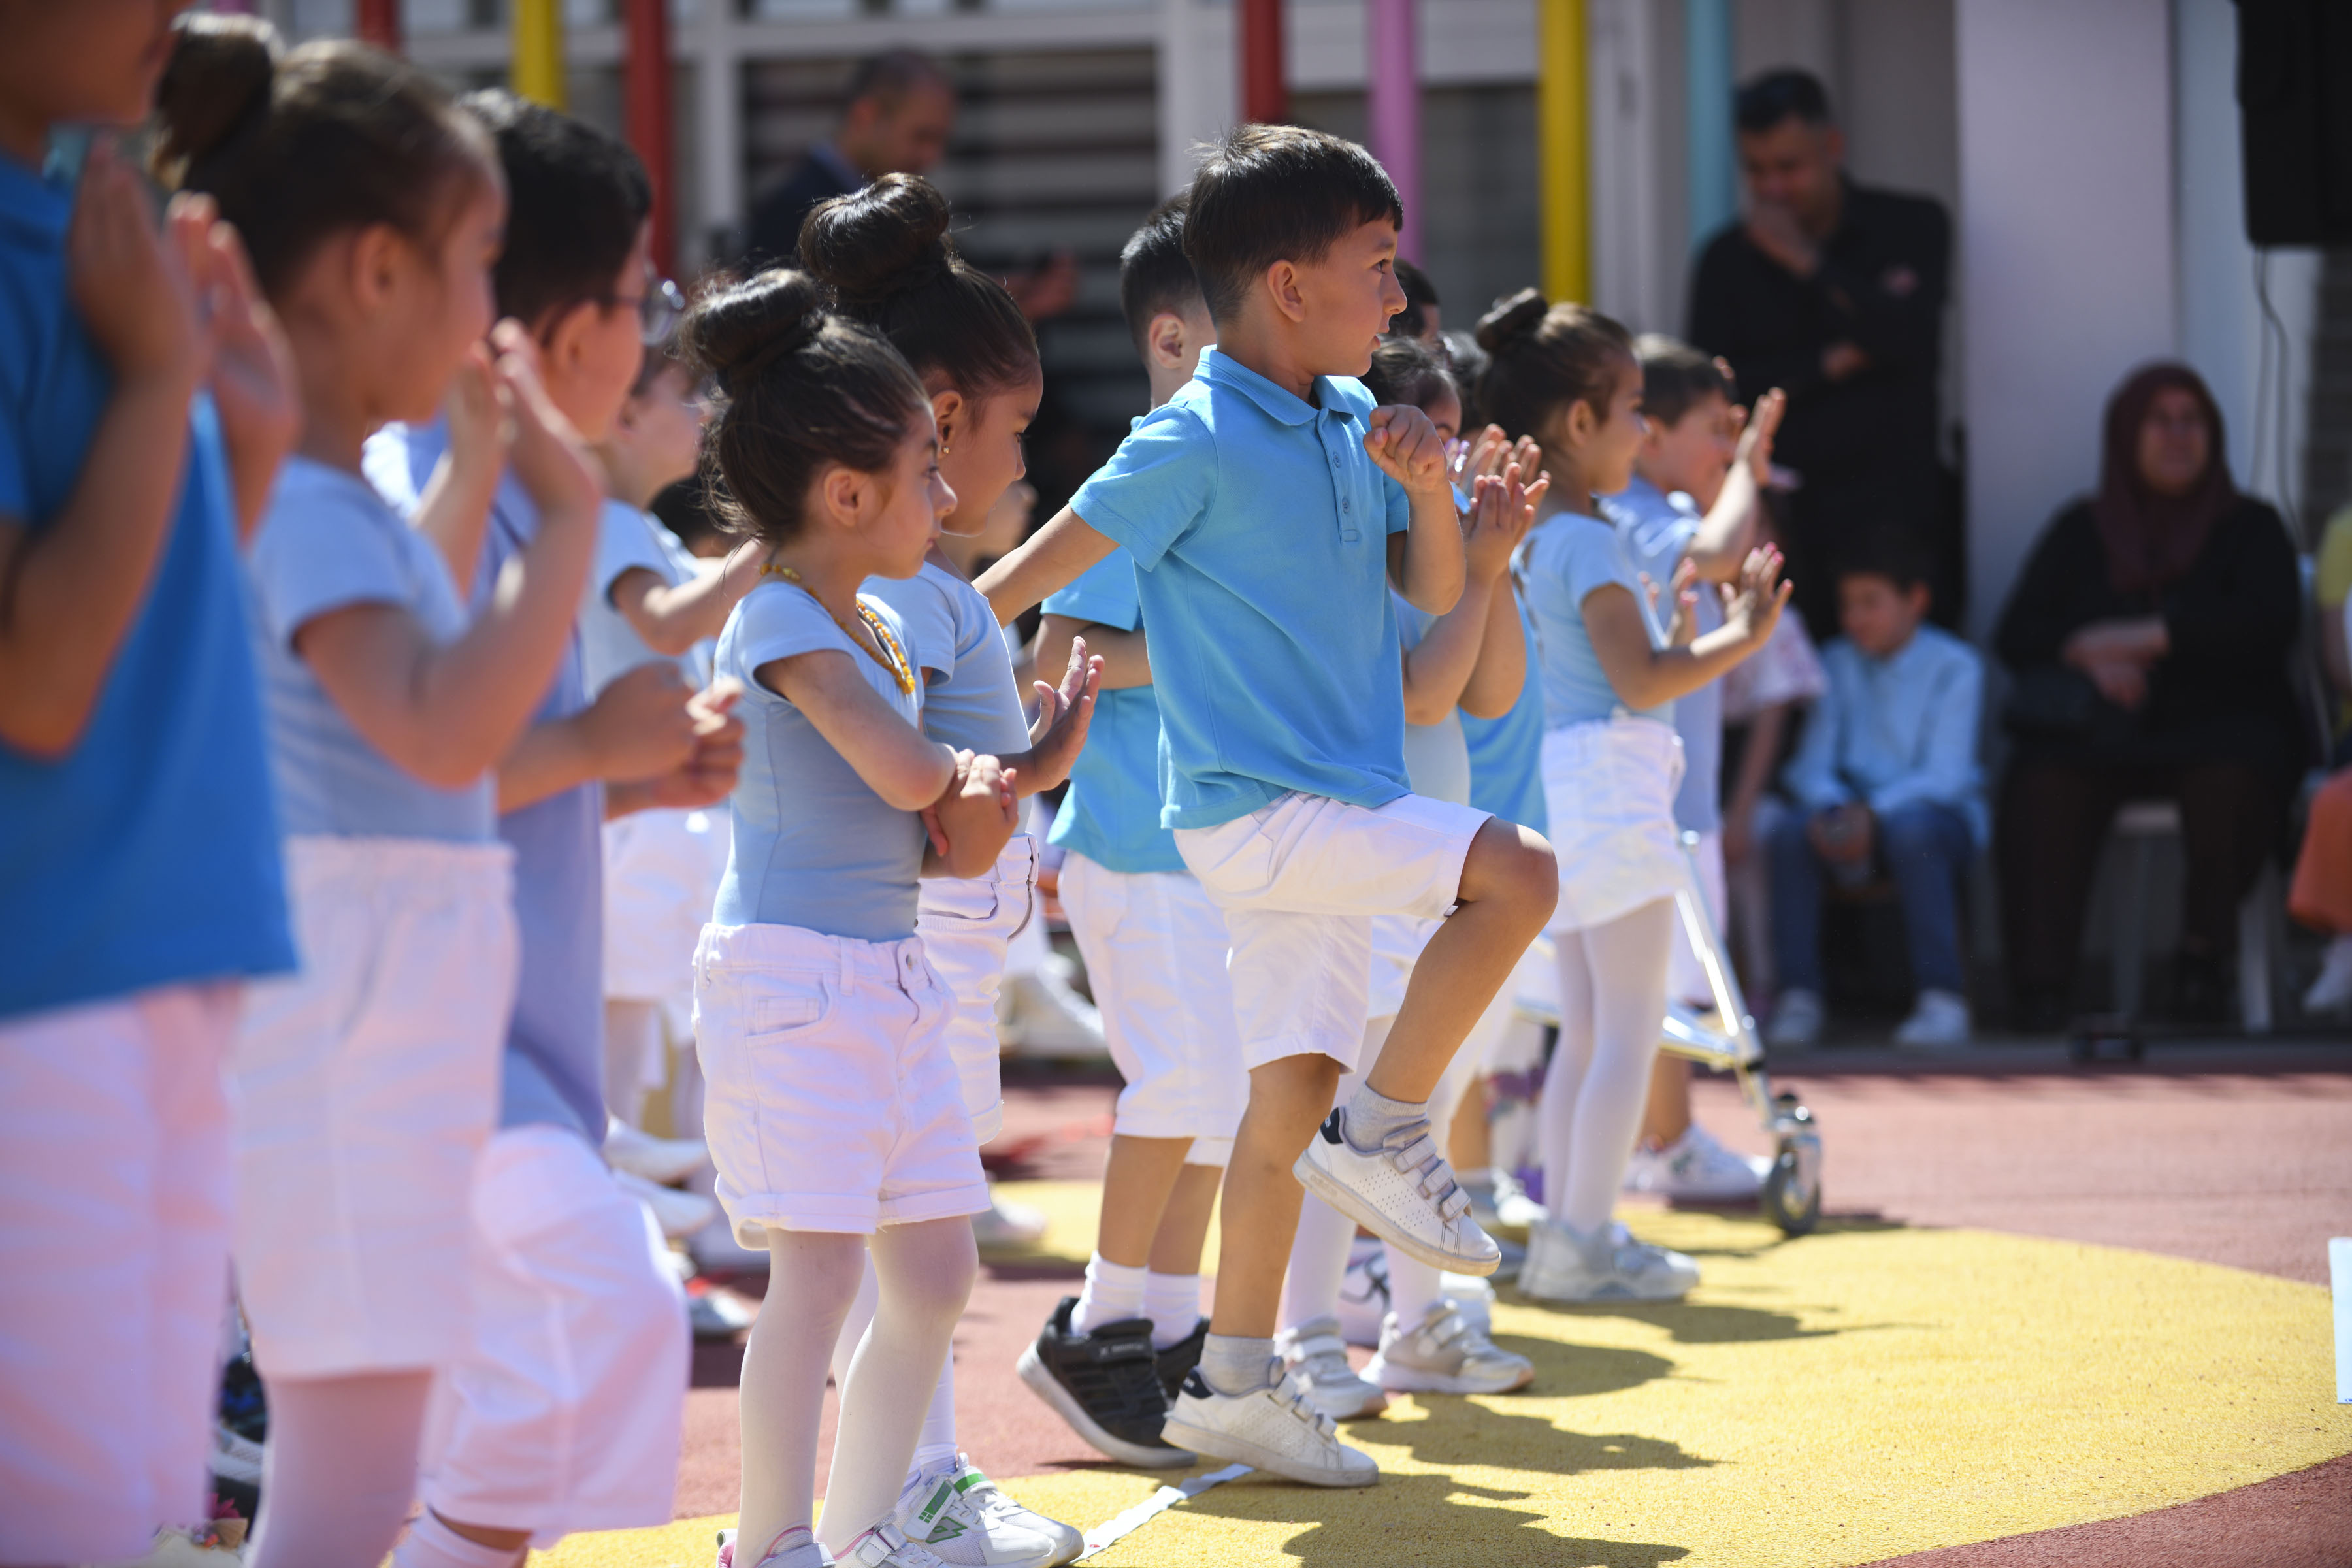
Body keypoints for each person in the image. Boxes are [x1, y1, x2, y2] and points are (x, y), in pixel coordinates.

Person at [978, 125, 1559, 1488]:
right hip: (1260, 812)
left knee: (1276, 1108)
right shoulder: (1186, 434)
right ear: (1291, 287)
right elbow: (1029, 577)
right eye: (1380, 268)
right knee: (1519, 874)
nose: (1404, 299)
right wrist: (902, 634)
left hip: (1318, 816)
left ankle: (1236, 1379)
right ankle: (1392, 1126)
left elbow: (1425, 606)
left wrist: (1443, 511)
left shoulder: (1358, 421)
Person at [151, 20, 608, 1565]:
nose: (496, 306)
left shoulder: (327, 495)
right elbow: (439, 724)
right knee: (347, 1467)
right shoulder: (309, 501)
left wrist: (487, 473)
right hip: (352, 1009)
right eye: (479, 259)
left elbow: (412, 605)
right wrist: (564, 526)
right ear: (373, 272)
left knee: (362, 1453)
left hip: (372, 995)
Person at [367, 93, 742, 1568]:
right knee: (608, 1316)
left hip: (503, 1030)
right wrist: (595, 744)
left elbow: (478, 774)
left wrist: (633, 780)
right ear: (560, 321)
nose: (654, 329)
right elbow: (396, 755)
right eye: (641, 295)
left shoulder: (531, 498)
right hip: (431, 1035)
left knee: (448, 1422)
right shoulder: (430, 498)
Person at [0, 4, 297, 1562]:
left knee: (142, 1503)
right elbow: (38, 677)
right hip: (44, 970)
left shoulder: (84, 224)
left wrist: (232, 439)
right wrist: (153, 379)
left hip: (162, 946)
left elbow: (144, 613)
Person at [681, 269, 1016, 1568]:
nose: (947, 498)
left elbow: (947, 828)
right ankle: (771, 1543)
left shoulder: (871, 616)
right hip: (790, 982)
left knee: (933, 1275)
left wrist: (989, 780)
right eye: (927, 471)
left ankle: (859, 1527)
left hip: (885, 978)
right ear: (845, 495)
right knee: (814, 1283)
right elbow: (913, 779)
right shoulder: (778, 615)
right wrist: (982, 773)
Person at [796, 172, 1098, 1568]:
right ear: (940, 412)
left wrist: (1030, 757)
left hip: (937, 958)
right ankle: (900, 1497)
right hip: (907, 960)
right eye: (1014, 429)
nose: (1015, 458)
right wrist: (1020, 774)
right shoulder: (899, 593)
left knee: (910, 1253)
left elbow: (961, 786)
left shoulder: (912, 589)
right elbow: (931, 798)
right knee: (904, 1255)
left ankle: (911, 1487)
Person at [1476, 289, 1787, 1305]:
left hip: (1568, 786)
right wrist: (1742, 638)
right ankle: (1584, 1238)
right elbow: (1644, 677)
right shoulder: (1592, 539)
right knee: (1627, 1028)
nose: (1643, 431)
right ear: (1579, 423)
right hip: (1611, 787)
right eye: (1632, 411)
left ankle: (1575, 1232)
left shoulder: (1539, 532)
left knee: (1590, 1028)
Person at [1020, 193, 1248, 1469]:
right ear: (1173, 339)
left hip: (1204, 847)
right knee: (1180, 1090)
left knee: (1214, 1103)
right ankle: (1097, 1327)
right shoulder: (1150, 473)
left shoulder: (1224, 469)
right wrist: (1221, 661)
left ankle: (1163, 1334)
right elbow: (1060, 651)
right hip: (1133, 839)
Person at [1279, 335, 1541, 1418]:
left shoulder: (1436, 553)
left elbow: (1490, 694)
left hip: (1430, 861)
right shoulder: (1347, 555)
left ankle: (1413, 1325)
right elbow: (1422, 697)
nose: (1448, 461)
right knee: (1347, 1116)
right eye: (1430, 437)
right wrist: (1476, 571)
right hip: (1367, 854)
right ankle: (1303, 1338)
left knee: (1408, 1113)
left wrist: (1496, 565)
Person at [1991, 362, 2303, 1030]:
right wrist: (2087, 655)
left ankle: (2202, 965)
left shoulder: (2250, 527)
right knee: (2040, 782)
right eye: (2160, 421)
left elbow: (2268, 622)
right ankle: (2042, 988)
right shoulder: (2083, 529)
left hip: (2219, 727)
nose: (2177, 436)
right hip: (2109, 734)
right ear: (2127, 434)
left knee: (2234, 777)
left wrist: (2153, 636)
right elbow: (2018, 633)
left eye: (2192, 421)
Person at [1603, 335, 1783, 1199]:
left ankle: (1663, 1138)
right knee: (1657, 992)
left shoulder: (1647, 505)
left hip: (1676, 796)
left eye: (1733, 434)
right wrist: (1750, 468)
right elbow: (1710, 556)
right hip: (1655, 800)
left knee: (1665, 992)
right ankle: (1663, 1144)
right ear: (1647, 433)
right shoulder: (1638, 512)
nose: (1724, 447)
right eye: (1713, 428)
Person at [580, 343, 752, 1231]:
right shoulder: (604, 520)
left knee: (643, 1040)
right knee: (609, 1054)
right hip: (621, 819)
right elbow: (667, 622)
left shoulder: (632, 525)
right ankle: (641, 1234)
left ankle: (669, 1232)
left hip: (639, 817)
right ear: (622, 416)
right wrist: (788, 542)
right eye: (686, 395)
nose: (704, 412)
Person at [1688, 67, 1950, 642]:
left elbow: (1911, 339)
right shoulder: (1725, 263)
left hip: (1891, 515)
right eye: (1756, 171)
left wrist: (1807, 263)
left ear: (1832, 147)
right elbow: (1715, 391)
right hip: (1786, 525)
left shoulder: (1911, 226)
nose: (1773, 189)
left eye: (1789, 167)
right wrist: (1834, 360)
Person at [1765, 532, 1985, 1049]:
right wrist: (1834, 808)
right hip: (1849, 810)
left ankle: (1942, 998)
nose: (1855, 618)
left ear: (1917, 601)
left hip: (1930, 817)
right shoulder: (1837, 661)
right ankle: (1799, 996)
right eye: (1847, 604)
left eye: (1871, 603)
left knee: (1914, 833)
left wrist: (1873, 814)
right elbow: (1811, 764)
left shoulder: (1956, 666)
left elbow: (1947, 776)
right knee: (1789, 832)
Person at [744, 50, 955, 269]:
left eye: (941, 141)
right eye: (922, 136)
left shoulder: (896, 208)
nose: (932, 156)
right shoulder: (794, 213)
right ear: (866, 116)